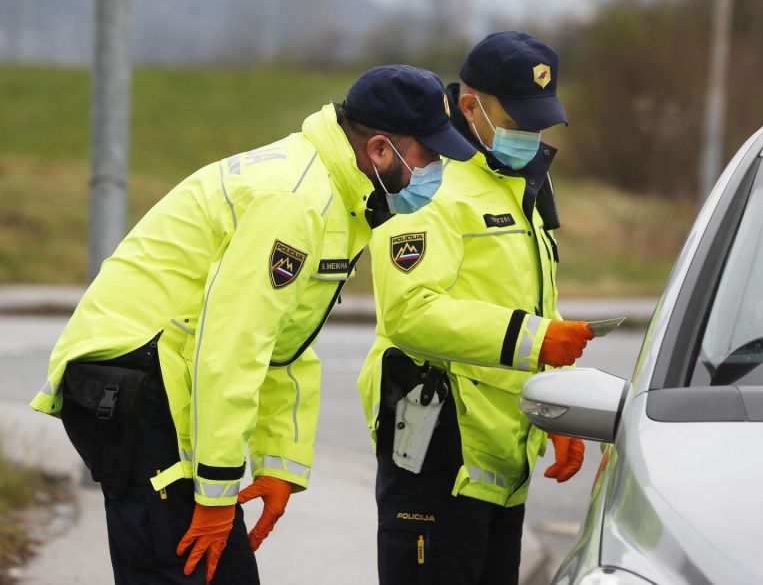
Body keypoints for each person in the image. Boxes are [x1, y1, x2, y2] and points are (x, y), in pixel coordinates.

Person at [29, 64, 476, 584]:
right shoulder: (296, 201)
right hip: (135, 378)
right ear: (380, 150)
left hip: (155, 377)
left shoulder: (341, 199)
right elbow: (232, 346)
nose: (438, 170)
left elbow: (284, 343)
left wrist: (278, 463)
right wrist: (217, 492)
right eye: (431, 156)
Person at [356, 32, 596, 585]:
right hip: (437, 461)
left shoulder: (520, 182)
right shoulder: (428, 184)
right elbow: (410, 314)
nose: (528, 136)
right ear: (470, 105)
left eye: (538, 123)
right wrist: (536, 340)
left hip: (501, 470)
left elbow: (534, 303)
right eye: (517, 120)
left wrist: (558, 407)